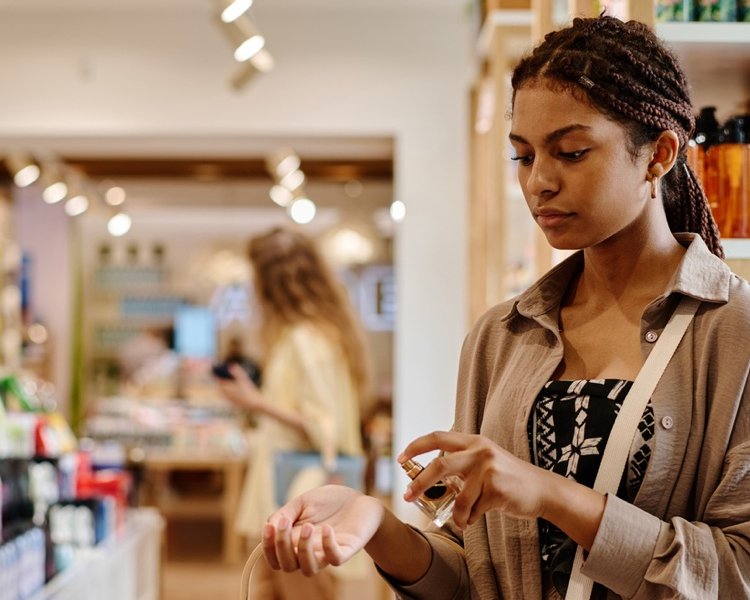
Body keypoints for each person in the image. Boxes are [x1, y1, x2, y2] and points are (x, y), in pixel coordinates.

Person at [257, 16, 750, 600]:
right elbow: (475, 574)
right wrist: (376, 523)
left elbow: (736, 573)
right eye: (522, 156)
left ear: (659, 155)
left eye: (570, 152)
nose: (539, 181)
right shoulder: (503, 336)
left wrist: (549, 493)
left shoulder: (732, 332)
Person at [215, 226, 369, 600]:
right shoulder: (310, 335)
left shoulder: (306, 339)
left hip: (300, 494)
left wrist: (256, 403)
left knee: (295, 590)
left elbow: (323, 426)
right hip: (292, 490)